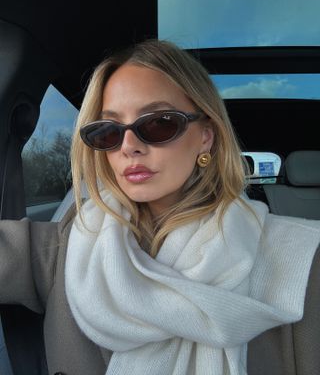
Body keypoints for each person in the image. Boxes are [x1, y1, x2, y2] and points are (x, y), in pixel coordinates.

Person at [0, 39, 320, 375]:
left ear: (206, 136)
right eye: (108, 131)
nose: (129, 146)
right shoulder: (66, 245)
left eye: (158, 123)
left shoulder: (299, 260)